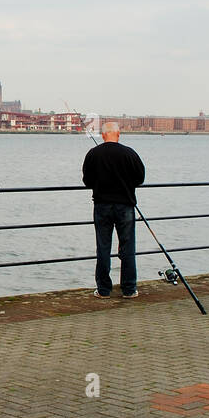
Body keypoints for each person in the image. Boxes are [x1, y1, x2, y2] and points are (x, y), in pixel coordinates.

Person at [83, 122, 146, 298]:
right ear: (118, 134)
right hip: (125, 205)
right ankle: (129, 288)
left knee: (103, 247)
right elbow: (140, 177)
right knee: (127, 246)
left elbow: (87, 180)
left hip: (102, 205)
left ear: (103, 135)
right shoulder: (129, 153)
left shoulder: (93, 154)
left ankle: (103, 290)